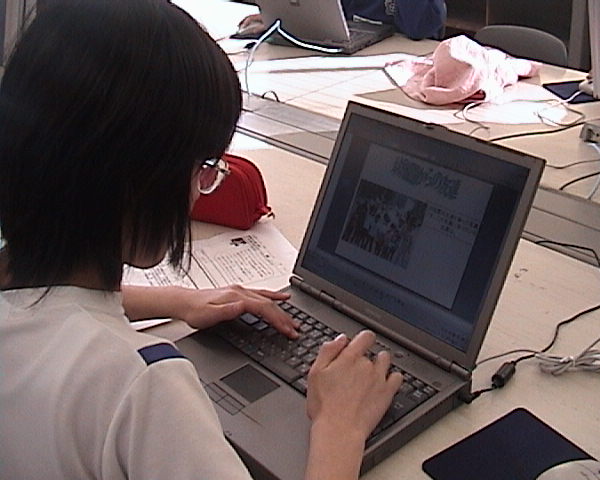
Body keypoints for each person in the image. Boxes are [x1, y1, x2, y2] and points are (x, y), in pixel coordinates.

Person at [0, 1, 402, 479]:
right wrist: (340, 428)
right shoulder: (144, 386)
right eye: (205, 167)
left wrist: (178, 301)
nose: (200, 188)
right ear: (145, 181)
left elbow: (48, 303)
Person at [238, 0, 446, 41]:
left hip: (403, 63)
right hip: (349, 47)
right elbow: (329, 10)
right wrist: (282, 15)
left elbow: (420, 29)